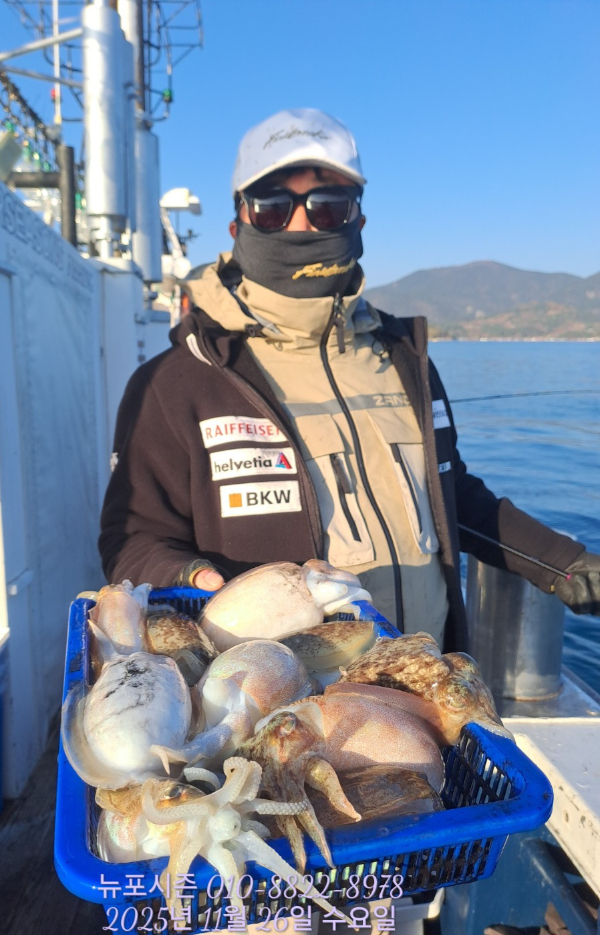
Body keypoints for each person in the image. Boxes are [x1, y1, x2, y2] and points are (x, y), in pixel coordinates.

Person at [99, 108, 600, 652]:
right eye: (272, 207)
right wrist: (189, 576)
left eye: (328, 206)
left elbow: (449, 496)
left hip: (427, 678)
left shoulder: (406, 357)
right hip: (289, 698)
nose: (301, 224)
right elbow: (133, 540)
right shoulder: (176, 382)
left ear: (358, 221)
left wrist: (565, 565)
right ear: (238, 224)